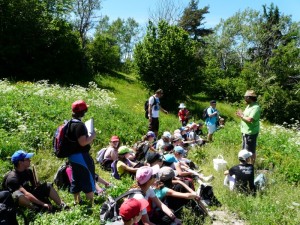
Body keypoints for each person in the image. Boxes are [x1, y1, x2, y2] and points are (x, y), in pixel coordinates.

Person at [3, 150, 68, 212]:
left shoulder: (28, 171)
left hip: (29, 194)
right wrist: (43, 204)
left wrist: (38, 185)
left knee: (47, 185)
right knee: (18, 195)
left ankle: (62, 204)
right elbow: (26, 194)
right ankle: (36, 209)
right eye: (27, 159)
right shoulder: (12, 178)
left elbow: (35, 187)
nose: (30, 160)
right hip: (19, 201)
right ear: (20, 162)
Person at [67, 100, 96, 206]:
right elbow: (83, 142)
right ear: (84, 111)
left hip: (72, 156)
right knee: (88, 177)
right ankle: (91, 204)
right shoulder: (80, 125)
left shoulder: (70, 123)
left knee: (76, 177)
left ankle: (77, 201)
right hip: (81, 156)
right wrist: (92, 136)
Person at [236, 90, 261, 164]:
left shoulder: (255, 107)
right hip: (245, 131)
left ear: (249, 98)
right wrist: (242, 114)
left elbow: (250, 119)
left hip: (251, 132)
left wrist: (241, 116)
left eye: (245, 97)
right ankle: (245, 164)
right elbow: (245, 116)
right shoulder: (249, 106)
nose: (244, 99)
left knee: (250, 150)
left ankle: (251, 165)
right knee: (245, 149)